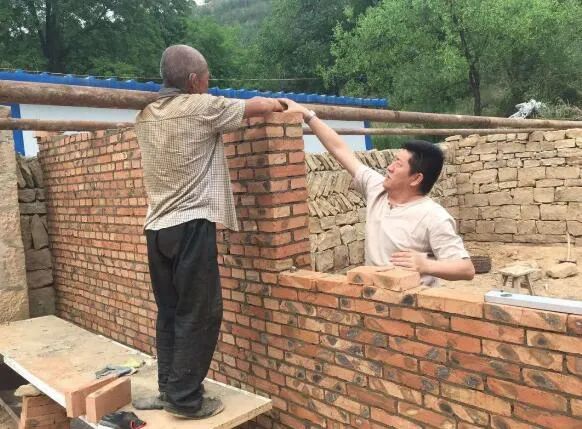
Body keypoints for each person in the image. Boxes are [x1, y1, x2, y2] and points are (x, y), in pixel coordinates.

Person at [133, 45, 285, 419]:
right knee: (200, 313)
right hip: (190, 227)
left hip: (156, 230)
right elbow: (258, 106)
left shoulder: (146, 113)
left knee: (170, 312)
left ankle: (169, 389)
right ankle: (186, 399)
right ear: (193, 81)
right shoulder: (202, 107)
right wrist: (281, 104)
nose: (208, 82)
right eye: (206, 77)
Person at [279, 98, 475, 285]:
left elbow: (466, 269)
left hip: (410, 303)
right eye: (393, 161)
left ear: (416, 178)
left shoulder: (433, 217)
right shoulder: (377, 188)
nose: (389, 168)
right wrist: (308, 115)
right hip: (373, 298)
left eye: (398, 165)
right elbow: (340, 149)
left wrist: (426, 265)